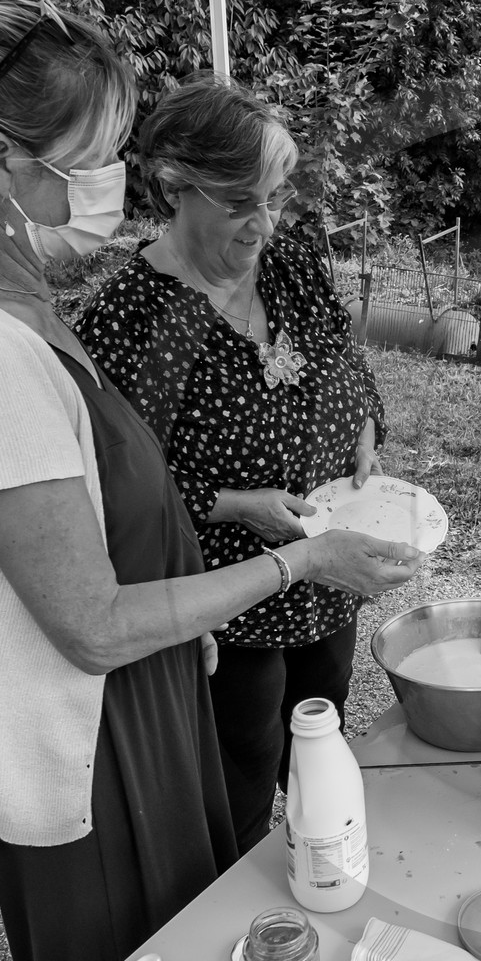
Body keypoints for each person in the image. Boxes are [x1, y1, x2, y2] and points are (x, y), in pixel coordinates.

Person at [0, 0, 421, 961]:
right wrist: (291, 566)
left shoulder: (3, 299)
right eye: (96, 153)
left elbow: (103, 520)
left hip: (140, 707)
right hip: (80, 759)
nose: (111, 182)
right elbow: (90, 622)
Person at [75, 77, 406, 853]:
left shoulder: (287, 263)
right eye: (238, 203)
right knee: (242, 769)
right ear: (173, 187)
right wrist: (231, 503)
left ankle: (321, 864)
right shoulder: (138, 318)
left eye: (275, 196)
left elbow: (344, 360)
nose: (264, 222)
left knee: (318, 742)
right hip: (227, 598)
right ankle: (244, 915)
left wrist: (364, 419)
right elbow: (118, 491)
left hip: (324, 574)